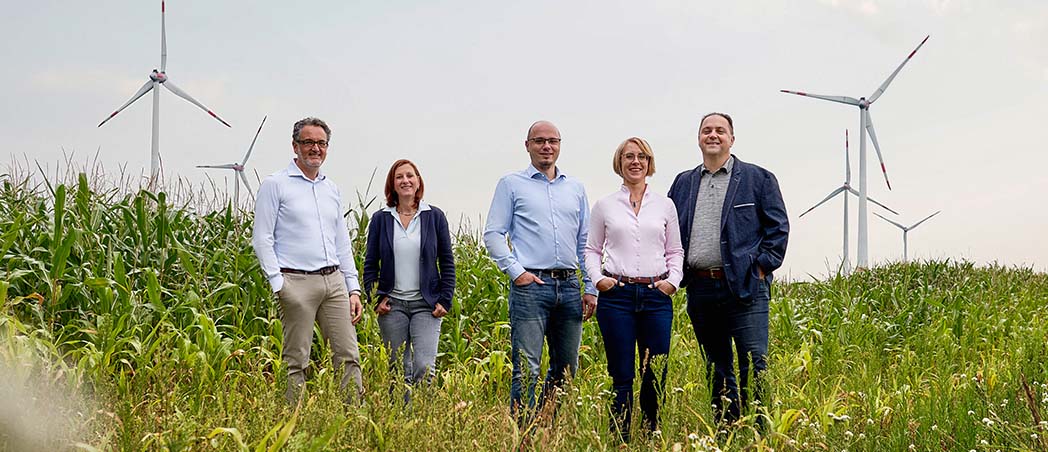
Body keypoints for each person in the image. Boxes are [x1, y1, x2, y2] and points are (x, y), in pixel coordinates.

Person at [667, 112, 789, 426]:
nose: (713, 135)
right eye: (706, 130)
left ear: (731, 139)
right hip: (701, 289)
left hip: (745, 287)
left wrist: (760, 268)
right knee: (716, 368)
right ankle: (727, 434)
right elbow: (666, 231)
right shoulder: (682, 183)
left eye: (720, 130)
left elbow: (778, 230)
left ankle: (762, 436)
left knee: (755, 364)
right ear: (698, 138)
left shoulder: (759, 179)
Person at [483, 120, 598, 420]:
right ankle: (523, 431)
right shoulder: (511, 184)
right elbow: (493, 234)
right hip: (531, 286)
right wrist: (516, 271)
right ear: (528, 145)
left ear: (560, 145)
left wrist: (590, 286)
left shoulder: (575, 188)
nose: (546, 146)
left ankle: (547, 422)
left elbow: (586, 240)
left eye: (552, 141)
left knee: (567, 367)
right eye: (539, 141)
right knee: (527, 366)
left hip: (570, 286)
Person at [252, 117, 365, 404]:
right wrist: (279, 284)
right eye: (308, 142)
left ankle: (353, 416)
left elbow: (342, 241)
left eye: (321, 143)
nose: (315, 148)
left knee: (348, 354)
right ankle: (293, 419)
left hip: (334, 281)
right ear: (295, 146)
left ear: (327, 147)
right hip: (296, 282)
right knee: (296, 358)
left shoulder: (331, 189)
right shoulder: (275, 185)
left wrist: (353, 288)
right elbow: (262, 238)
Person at [585, 137, 684, 441]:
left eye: (641, 156)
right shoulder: (604, 205)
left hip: (656, 296)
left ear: (649, 163)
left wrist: (672, 282)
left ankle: (650, 434)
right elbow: (591, 249)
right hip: (617, 297)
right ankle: (620, 439)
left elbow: (675, 251)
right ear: (620, 162)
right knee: (622, 375)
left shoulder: (665, 205)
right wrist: (597, 279)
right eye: (629, 156)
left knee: (655, 371)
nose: (635, 162)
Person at [363, 159, 455, 399]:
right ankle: (401, 421)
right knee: (397, 369)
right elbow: (370, 263)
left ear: (418, 181)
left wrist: (445, 300)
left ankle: (423, 421)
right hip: (392, 306)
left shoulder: (434, 217)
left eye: (410, 176)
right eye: (399, 177)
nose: (405, 181)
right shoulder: (381, 219)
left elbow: (447, 262)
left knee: (424, 367)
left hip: (426, 305)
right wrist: (375, 298)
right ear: (392, 185)